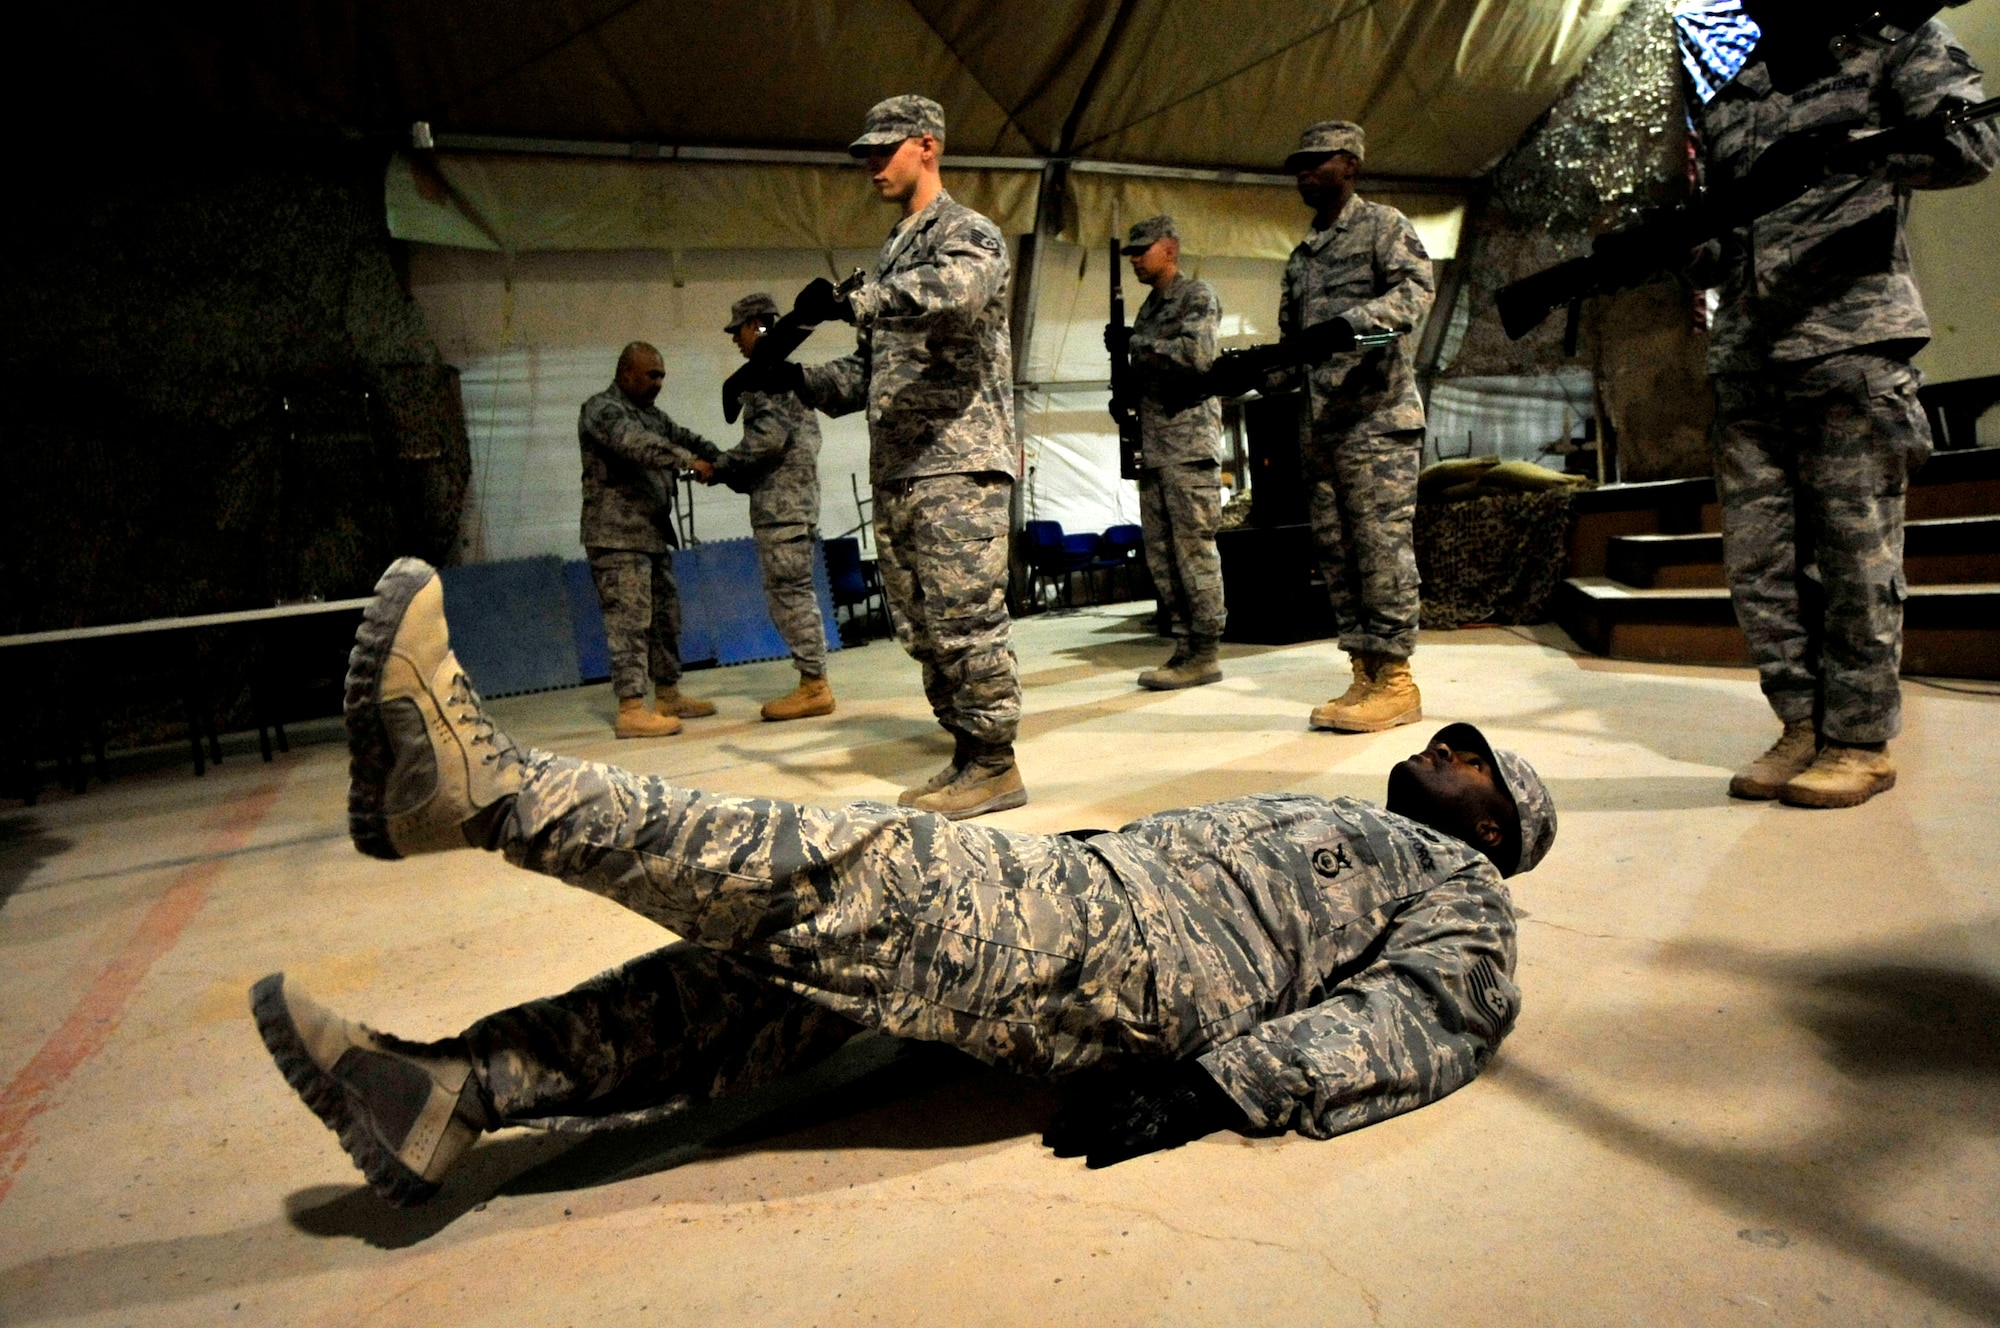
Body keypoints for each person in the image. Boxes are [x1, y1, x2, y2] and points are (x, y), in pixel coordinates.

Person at [252, 556, 1554, 1205]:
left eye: (1476, 765)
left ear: (1499, 837)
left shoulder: (1462, 896)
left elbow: (1426, 1022)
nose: (1448, 749)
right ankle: (452, 1092)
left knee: (850, 867)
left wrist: (1230, 1083)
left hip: (1114, 952)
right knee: (753, 983)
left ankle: (490, 794)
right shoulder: (1342, 818)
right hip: (1079, 901)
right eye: (1452, 736)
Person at [1693, 0, 1997, 808]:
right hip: (1749, 357)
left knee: (1857, 556)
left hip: (1850, 340)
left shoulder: (1894, 49)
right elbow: (1727, 236)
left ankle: (1859, 740)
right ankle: (1800, 722)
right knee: (1757, 566)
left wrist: (1864, 153)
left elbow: (1973, 146)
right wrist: (1690, 247)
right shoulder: (1734, 99)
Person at [743, 95, 1025, 820]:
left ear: (926, 146)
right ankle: (966, 750)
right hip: (900, 465)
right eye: (865, 152)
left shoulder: (968, 234)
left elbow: (954, 298)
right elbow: (870, 374)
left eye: (884, 148)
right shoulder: (894, 251)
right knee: (921, 628)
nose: (871, 163)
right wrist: (798, 379)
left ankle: (996, 762)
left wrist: (855, 301)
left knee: (965, 618)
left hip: (958, 461)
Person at [1280, 121, 1437, 735]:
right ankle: (1364, 670)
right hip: (1322, 428)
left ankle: (1397, 679)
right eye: (1298, 164)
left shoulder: (1383, 227)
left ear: (1349, 164)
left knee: (1380, 549)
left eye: (1315, 161)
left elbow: (1413, 298)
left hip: (1376, 421)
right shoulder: (1301, 258)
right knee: (1339, 554)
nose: (1303, 174)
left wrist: (1349, 326)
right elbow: (1293, 347)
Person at [577, 342, 725, 739]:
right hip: (617, 537)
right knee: (629, 622)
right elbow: (638, 444)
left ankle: (668, 694)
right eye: (651, 375)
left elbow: (685, 437)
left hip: (651, 535)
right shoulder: (602, 410)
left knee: (664, 618)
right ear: (626, 373)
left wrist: (725, 461)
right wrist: (688, 462)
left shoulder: (652, 416)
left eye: (661, 375)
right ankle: (630, 709)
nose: (659, 383)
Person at [707, 293, 837, 722]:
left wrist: (722, 467)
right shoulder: (784, 374)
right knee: (792, 591)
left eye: (738, 331)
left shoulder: (765, 375)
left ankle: (814, 685)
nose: (736, 342)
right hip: (792, 500)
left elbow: (766, 441)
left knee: (789, 593)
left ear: (756, 325)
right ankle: (812, 680)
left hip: (782, 506)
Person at [1115, 215, 1230, 691]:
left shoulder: (1195, 297)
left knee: (1193, 553)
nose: (1136, 259)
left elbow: (1197, 356)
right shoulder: (1148, 308)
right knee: (1162, 556)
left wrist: (1135, 345)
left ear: (1171, 249)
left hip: (1188, 446)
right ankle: (1184, 645)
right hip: (1156, 446)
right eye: (1132, 252)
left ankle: (1205, 650)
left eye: (1144, 249)